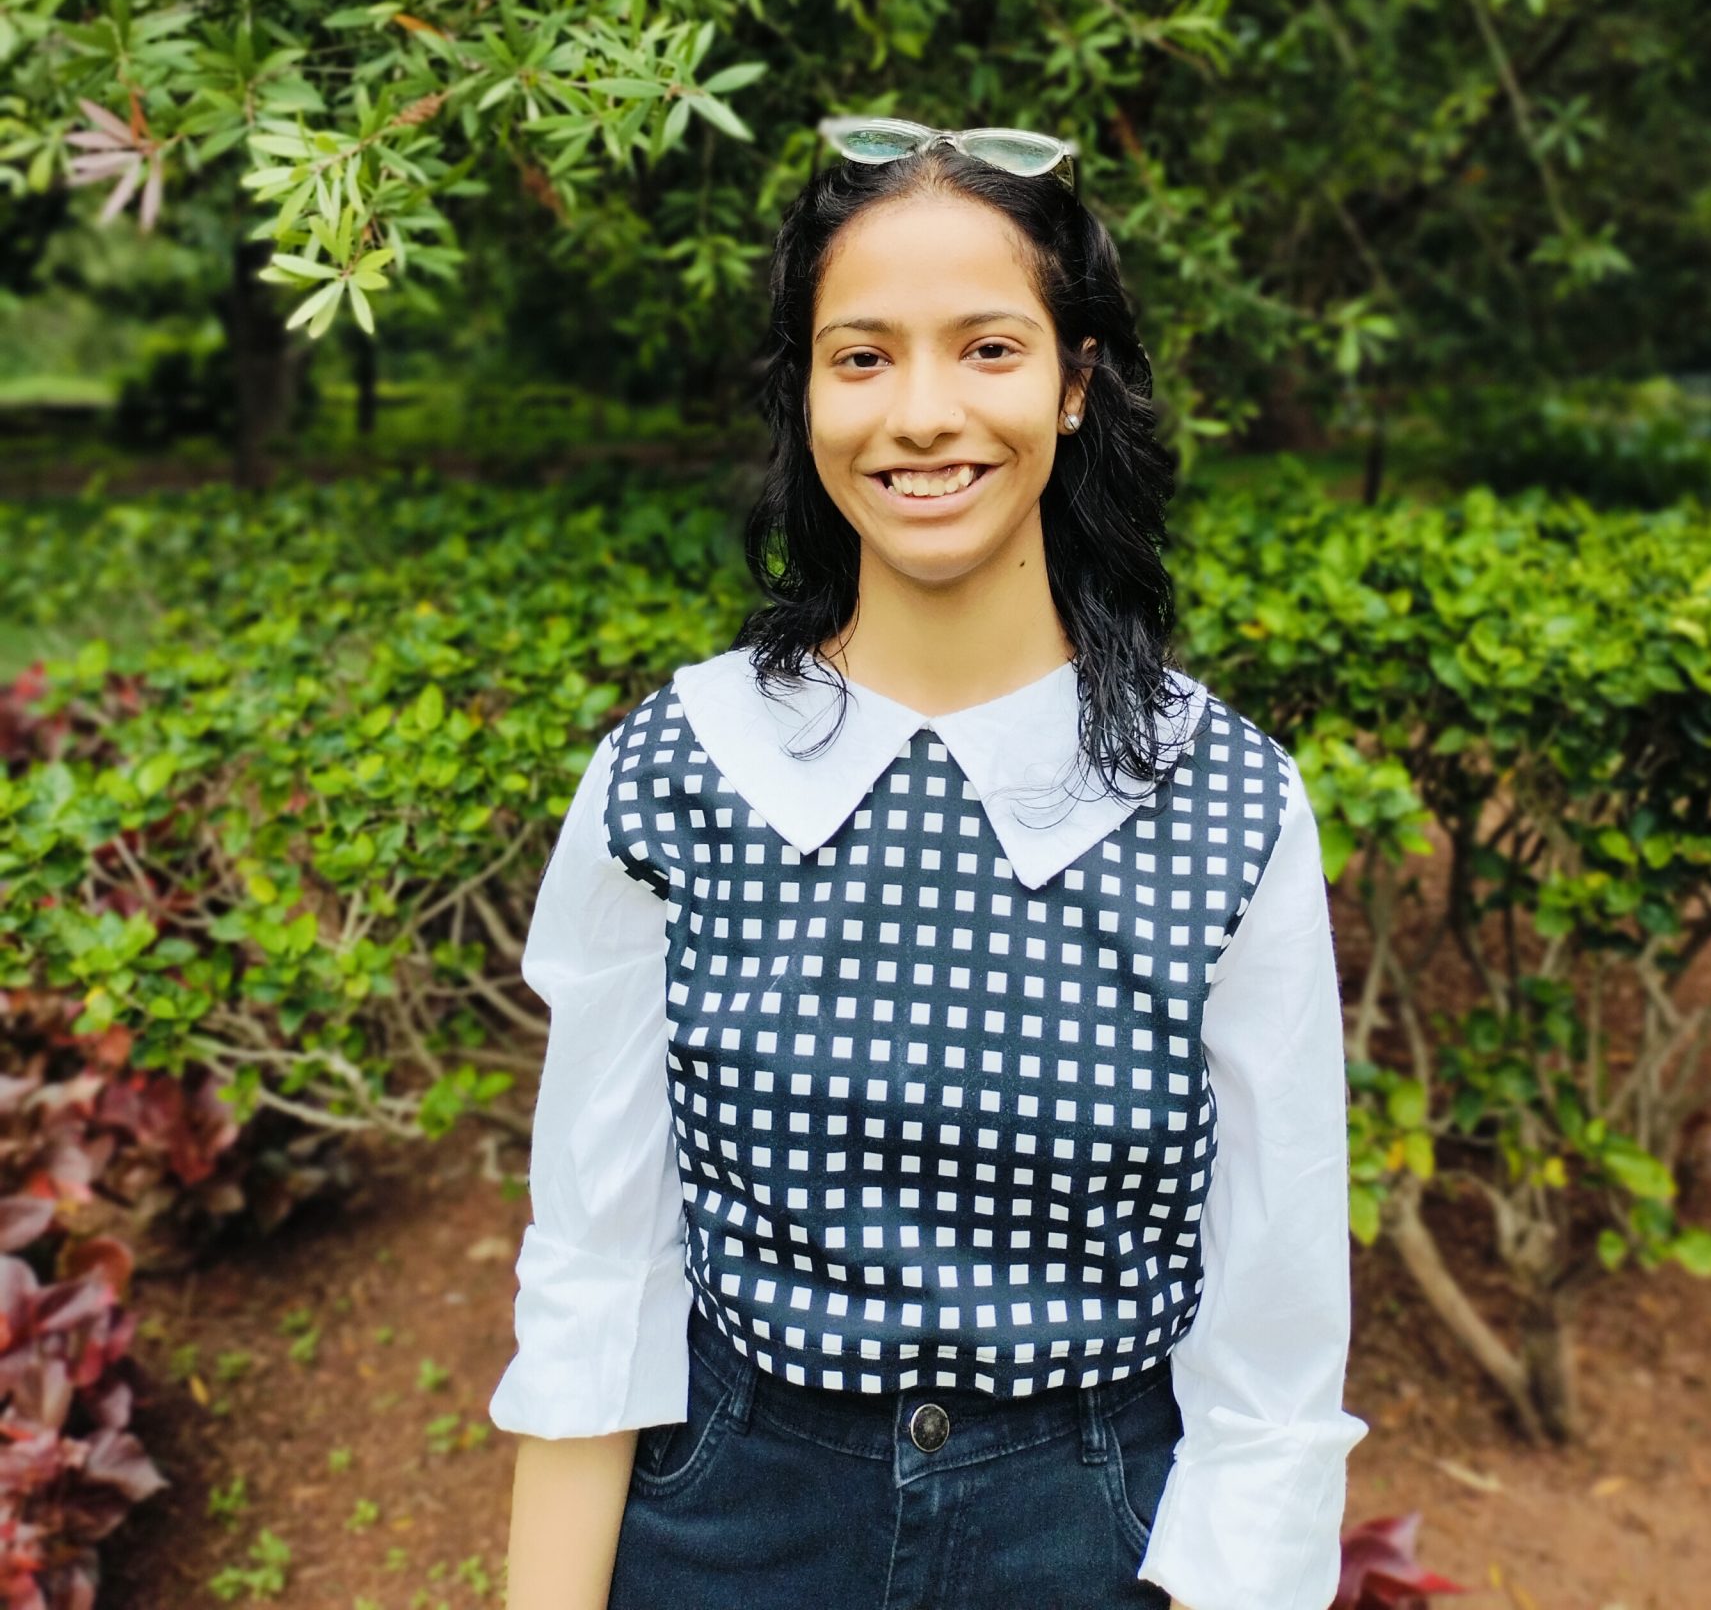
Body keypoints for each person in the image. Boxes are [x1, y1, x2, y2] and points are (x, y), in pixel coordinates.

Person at [489, 117, 1364, 1610]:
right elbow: (595, 1271)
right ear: (807, 393)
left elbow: (1274, 1354)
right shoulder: (679, 767)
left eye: (988, 348)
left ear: (1076, 383)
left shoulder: (1225, 798)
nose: (921, 413)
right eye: (862, 356)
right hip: (730, 1518)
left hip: (1094, 1533)